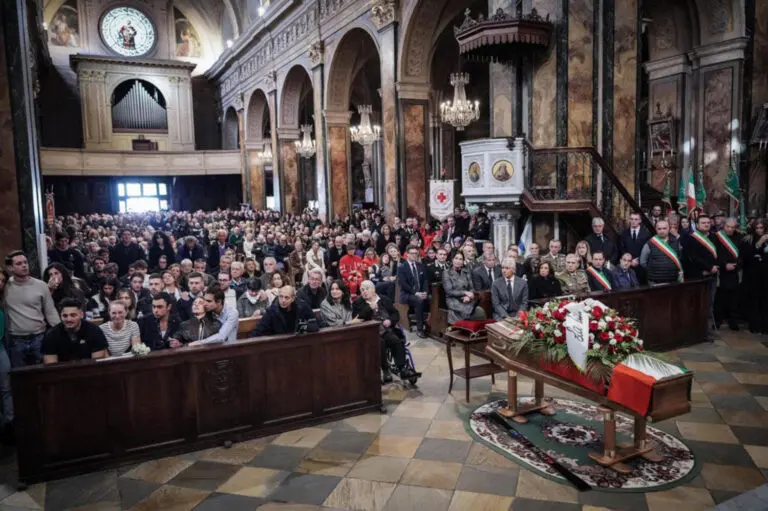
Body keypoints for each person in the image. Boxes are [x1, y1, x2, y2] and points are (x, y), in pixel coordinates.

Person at [4, 251, 60, 366]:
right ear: (10, 267)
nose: (24, 265)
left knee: (42, 374)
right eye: (19, 263)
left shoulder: (41, 285)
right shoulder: (5, 286)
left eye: (25, 262)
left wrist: (60, 331)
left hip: (39, 337)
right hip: (15, 340)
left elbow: (50, 312)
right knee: (19, 378)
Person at [352, 280, 415, 383]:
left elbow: (395, 314)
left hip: (385, 330)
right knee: (380, 343)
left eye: (367, 289)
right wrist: (369, 308)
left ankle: (402, 368)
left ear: (373, 290)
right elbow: (356, 318)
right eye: (362, 290)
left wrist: (390, 321)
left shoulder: (384, 299)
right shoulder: (358, 303)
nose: (364, 292)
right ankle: (386, 370)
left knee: (395, 340)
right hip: (370, 333)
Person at [42, 298, 107, 364]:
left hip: (89, 371)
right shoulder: (51, 335)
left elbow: (97, 364)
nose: (69, 319)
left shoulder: (94, 331)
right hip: (62, 372)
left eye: (73, 315)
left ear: (81, 315)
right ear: (60, 316)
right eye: (65, 316)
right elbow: (51, 367)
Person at [682, 214, 718, 327]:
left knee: (710, 302)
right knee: (696, 302)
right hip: (697, 275)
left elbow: (718, 255)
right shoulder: (690, 238)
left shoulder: (714, 237)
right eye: (703, 223)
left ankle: (706, 327)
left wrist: (714, 268)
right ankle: (694, 326)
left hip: (712, 275)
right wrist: (708, 268)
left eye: (708, 222)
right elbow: (692, 257)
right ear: (697, 225)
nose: (706, 224)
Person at [250, 285, 317, 337]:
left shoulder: (302, 306)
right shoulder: (272, 310)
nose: (283, 300)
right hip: (279, 346)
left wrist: (299, 328)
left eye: (286, 297)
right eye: (281, 297)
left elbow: (315, 325)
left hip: (299, 343)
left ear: (293, 298)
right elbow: (258, 330)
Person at [713, 218, 741, 330]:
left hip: (735, 272)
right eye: (728, 226)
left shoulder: (739, 237)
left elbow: (742, 254)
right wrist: (724, 265)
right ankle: (718, 320)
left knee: (734, 299)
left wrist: (737, 265)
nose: (730, 229)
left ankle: (733, 321)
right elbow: (715, 254)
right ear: (723, 226)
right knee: (720, 298)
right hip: (722, 272)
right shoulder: (716, 237)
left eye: (732, 227)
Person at [443, 252, 486, 323]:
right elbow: (449, 291)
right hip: (453, 300)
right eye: (456, 258)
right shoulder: (446, 273)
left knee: (480, 308)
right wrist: (465, 292)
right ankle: (463, 323)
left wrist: (469, 297)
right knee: (468, 311)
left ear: (463, 261)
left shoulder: (466, 271)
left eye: (460, 259)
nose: (458, 261)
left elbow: (472, 287)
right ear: (452, 259)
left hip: (467, 299)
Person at [396, 246, 430, 337]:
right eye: (412, 253)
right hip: (406, 294)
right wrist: (415, 293)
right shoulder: (401, 267)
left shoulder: (420, 266)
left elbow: (425, 280)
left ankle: (431, 325)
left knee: (431, 298)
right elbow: (403, 284)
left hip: (420, 292)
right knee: (418, 300)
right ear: (407, 254)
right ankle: (420, 329)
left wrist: (425, 292)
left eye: (416, 253)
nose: (414, 255)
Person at [742, 219, 768, 333]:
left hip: (766, 276)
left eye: (761, 228)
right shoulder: (748, 239)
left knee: (765, 301)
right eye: (757, 228)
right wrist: (759, 244)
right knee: (754, 301)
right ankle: (755, 326)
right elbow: (746, 256)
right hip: (753, 276)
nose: (759, 230)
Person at [640, 219, 683, 285]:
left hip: (673, 280)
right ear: (656, 229)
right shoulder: (649, 243)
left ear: (669, 229)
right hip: (654, 282)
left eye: (664, 228)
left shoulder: (676, 242)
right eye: (659, 229)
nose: (662, 231)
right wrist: (654, 270)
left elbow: (679, 258)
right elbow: (643, 262)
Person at [0, 270, 15, 443]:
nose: (1, 283)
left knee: (6, 388)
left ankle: (9, 426)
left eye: (3, 280)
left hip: (1, 347)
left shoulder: (4, 302)